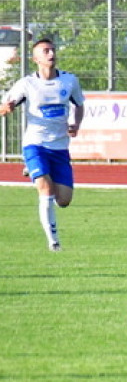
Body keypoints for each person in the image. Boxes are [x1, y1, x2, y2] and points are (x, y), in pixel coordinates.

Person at [0, 38, 85, 252]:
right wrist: (6, 108)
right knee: (45, 188)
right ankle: (53, 241)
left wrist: (76, 124)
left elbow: (80, 105)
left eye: (52, 50)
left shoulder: (69, 81)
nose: (51, 53)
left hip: (60, 148)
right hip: (35, 144)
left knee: (64, 200)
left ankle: (36, 172)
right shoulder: (27, 83)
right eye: (45, 51)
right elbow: (4, 106)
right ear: (36, 58)